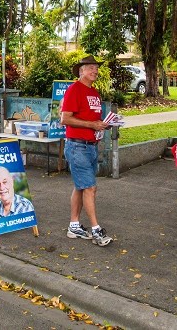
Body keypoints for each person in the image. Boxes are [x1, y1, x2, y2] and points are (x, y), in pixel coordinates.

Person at [61, 55, 112, 247]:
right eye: (90, 68)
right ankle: (96, 230)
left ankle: (74, 226)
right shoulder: (74, 90)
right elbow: (65, 119)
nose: (94, 71)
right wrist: (92, 124)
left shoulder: (95, 93)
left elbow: (92, 120)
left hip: (91, 146)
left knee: (81, 185)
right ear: (81, 71)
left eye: (96, 68)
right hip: (77, 146)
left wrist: (103, 125)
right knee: (90, 187)